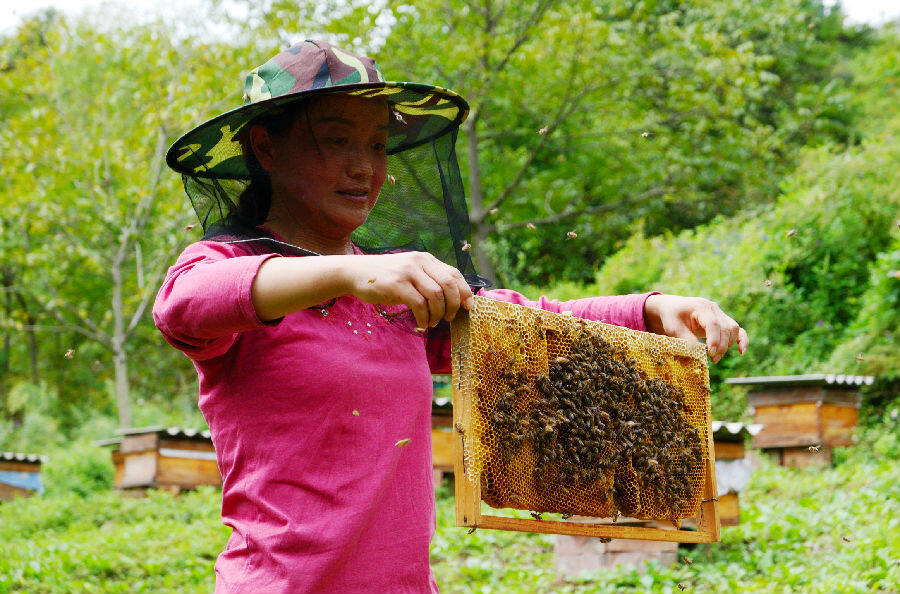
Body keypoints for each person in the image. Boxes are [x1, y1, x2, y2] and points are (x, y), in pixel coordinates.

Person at [153, 40, 748, 594]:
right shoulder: (229, 264)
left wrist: (649, 309)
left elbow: (525, 326)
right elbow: (183, 303)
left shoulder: (401, 284)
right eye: (337, 140)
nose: (364, 166)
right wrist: (346, 274)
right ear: (265, 147)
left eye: (378, 145)